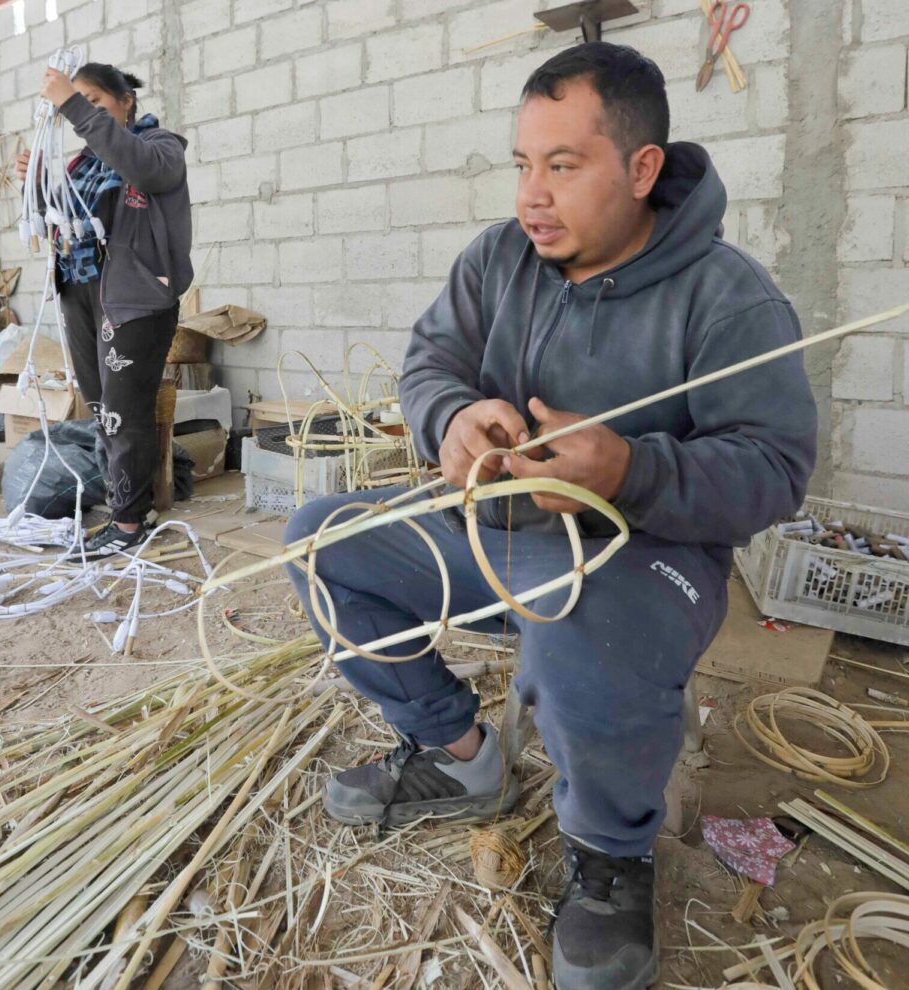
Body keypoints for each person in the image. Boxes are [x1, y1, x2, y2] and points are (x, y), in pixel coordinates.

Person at [284, 42, 817, 990]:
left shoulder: (729, 298)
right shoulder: (498, 260)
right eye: (524, 165)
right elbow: (428, 365)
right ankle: (458, 755)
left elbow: (777, 470)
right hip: (492, 535)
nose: (533, 195)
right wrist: (450, 418)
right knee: (321, 544)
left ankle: (611, 856)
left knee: (583, 624)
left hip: (639, 560)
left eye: (563, 167)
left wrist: (630, 469)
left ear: (642, 169)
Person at [16, 62, 192, 556]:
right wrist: (34, 180)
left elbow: (138, 165)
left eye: (95, 101)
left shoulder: (161, 149)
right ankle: (131, 504)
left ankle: (129, 524)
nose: (86, 110)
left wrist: (70, 103)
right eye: (81, 102)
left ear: (126, 102)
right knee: (102, 408)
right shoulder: (80, 164)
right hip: (82, 292)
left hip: (134, 298)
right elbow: (64, 216)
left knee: (124, 410)